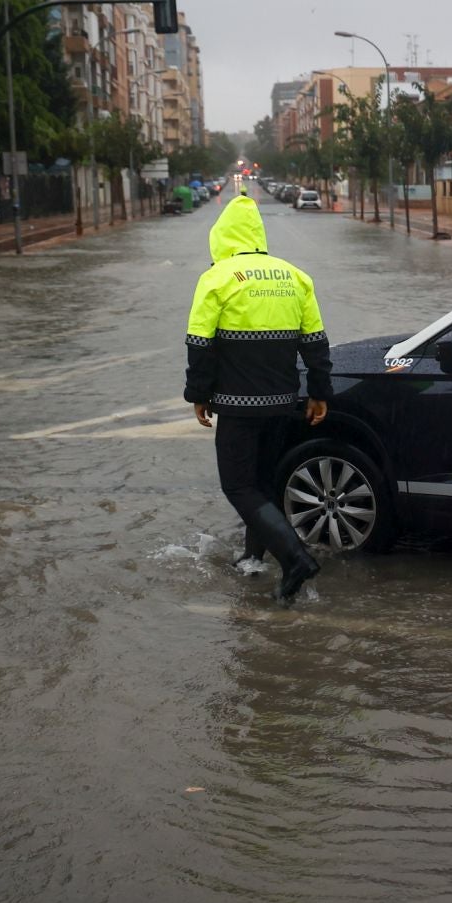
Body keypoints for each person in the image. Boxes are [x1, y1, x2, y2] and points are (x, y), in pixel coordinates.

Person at [184, 192, 330, 602]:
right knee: (263, 483)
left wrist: (198, 394)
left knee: (238, 486)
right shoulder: (295, 277)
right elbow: (316, 343)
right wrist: (319, 392)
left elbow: (200, 344)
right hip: (284, 402)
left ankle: (295, 557)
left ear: (222, 238)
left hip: (237, 405)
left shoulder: (216, 279)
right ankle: (253, 558)